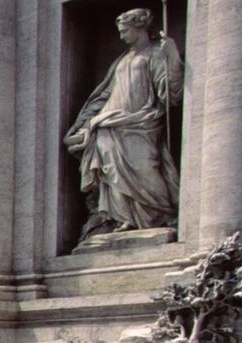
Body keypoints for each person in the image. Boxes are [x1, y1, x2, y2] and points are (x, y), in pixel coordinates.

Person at [65, 8, 183, 240]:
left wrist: (173, 56)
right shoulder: (122, 59)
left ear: (140, 28)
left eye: (125, 30)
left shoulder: (156, 53)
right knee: (111, 172)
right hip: (109, 123)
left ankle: (158, 213)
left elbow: (170, 93)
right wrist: (84, 124)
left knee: (145, 168)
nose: (121, 36)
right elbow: (105, 95)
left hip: (141, 122)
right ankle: (124, 218)